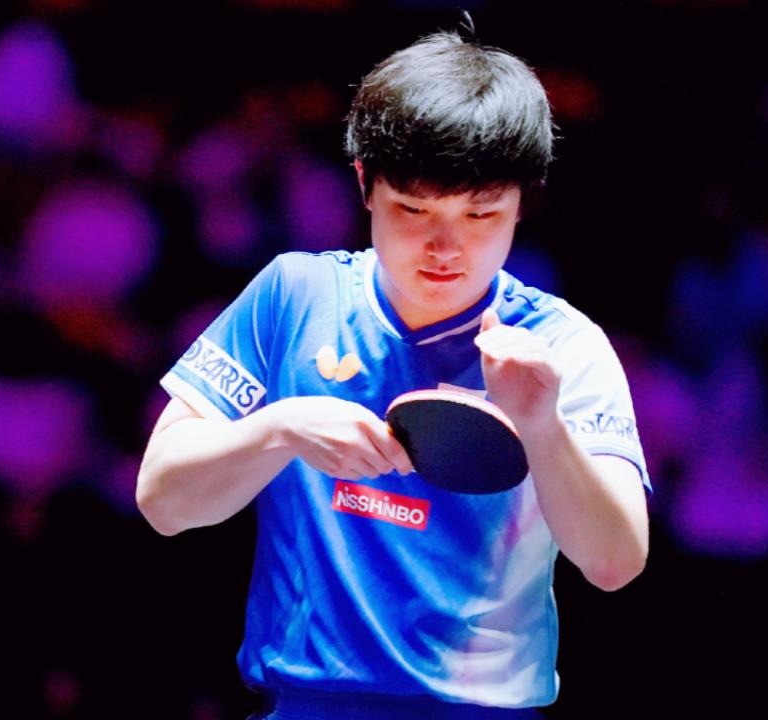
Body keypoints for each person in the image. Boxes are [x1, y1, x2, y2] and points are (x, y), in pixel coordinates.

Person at [137, 27, 652, 719]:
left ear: (522, 202)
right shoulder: (294, 297)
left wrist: (542, 427)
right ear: (364, 183)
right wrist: (279, 429)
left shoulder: (562, 345)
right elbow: (163, 502)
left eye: (481, 214)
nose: (446, 246)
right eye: (414, 209)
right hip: (303, 705)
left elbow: (615, 563)